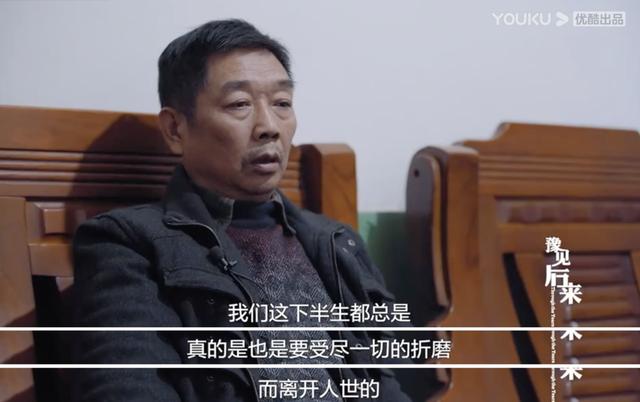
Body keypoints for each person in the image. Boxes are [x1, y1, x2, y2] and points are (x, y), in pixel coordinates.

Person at [72, 19, 413, 402]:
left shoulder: (337, 243)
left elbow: (387, 380)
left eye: (282, 103)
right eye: (239, 104)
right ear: (175, 129)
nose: (269, 127)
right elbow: (130, 388)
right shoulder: (128, 243)